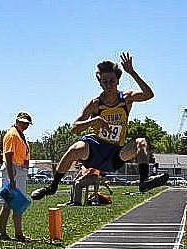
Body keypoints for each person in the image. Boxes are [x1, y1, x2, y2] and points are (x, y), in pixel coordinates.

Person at [31, 52, 168, 201]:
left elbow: (149, 95)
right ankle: (53, 187)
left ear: (117, 81)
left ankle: (144, 181)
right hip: (94, 149)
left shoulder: (126, 98)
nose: (109, 85)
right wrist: (94, 120)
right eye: (105, 82)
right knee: (75, 148)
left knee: (141, 142)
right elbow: (74, 127)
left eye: (112, 81)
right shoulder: (95, 103)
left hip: (115, 154)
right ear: (100, 83)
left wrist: (132, 72)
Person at [0, 112, 32, 242]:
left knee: (18, 203)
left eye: (27, 123)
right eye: (22, 122)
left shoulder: (20, 134)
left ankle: (18, 233)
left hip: (19, 170)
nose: (25, 125)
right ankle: (3, 233)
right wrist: (12, 179)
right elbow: (9, 156)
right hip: (13, 170)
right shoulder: (12, 134)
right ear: (17, 121)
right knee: (9, 203)